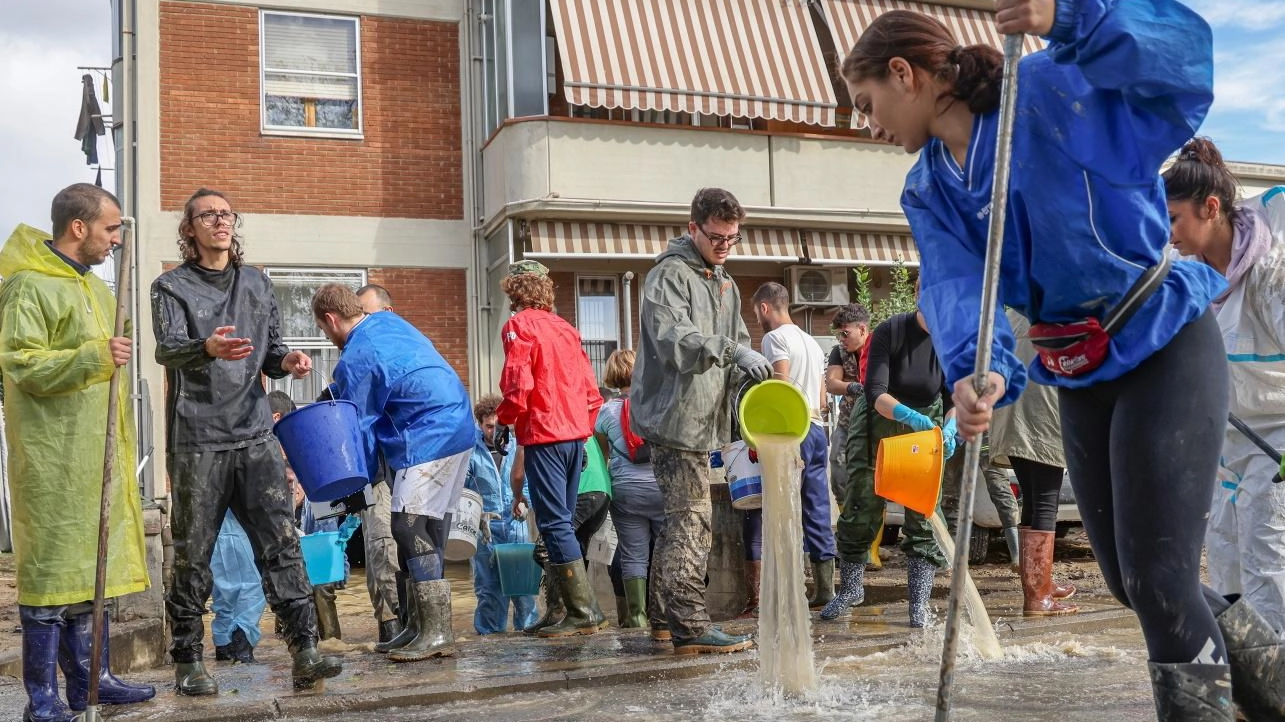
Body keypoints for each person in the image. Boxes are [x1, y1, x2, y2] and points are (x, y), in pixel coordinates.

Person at [840, 2, 1258, 716]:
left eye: (865, 102)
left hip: (1160, 337)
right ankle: (1273, 680)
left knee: (1159, 576)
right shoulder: (928, 188)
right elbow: (953, 286)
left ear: (903, 74)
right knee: (1132, 583)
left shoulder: (1047, 89)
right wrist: (982, 368)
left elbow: (1181, 70)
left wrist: (1072, 17)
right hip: (1078, 368)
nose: (866, 124)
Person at [152, 188, 340, 695]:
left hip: (256, 435)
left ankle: (306, 651)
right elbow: (167, 351)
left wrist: (289, 362)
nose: (219, 221)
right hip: (198, 440)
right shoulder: (170, 287)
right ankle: (188, 661)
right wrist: (205, 347)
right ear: (189, 229)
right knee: (193, 553)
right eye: (206, 215)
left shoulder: (258, 283)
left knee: (281, 544)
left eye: (225, 214)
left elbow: (272, 352)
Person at [0, 185, 155, 721]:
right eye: (110, 229)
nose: (117, 238)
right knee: (50, 577)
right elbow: (22, 363)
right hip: (53, 458)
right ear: (79, 227)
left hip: (97, 454)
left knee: (92, 569)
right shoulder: (29, 287)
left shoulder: (98, 290)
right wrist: (96, 354)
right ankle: (41, 699)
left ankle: (95, 679)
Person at [1164, 138, 1285, 712]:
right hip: (1226, 443)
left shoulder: (1269, 270)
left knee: (1270, 564)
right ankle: (1247, 696)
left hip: (1278, 440)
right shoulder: (1191, 277)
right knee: (1225, 562)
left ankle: (1280, 689)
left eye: (1176, 219)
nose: (1171, 233)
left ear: (1211, 208)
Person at [631, 187, 765, 655]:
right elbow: (676, 340)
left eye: (733, 238)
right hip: (674, 420)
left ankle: (664, 621)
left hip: (702, 419)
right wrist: (732, 351)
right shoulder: (669, 276)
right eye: (716, 237)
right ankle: (690, 625)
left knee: (676, 523)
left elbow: (740, 339)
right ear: (693, 228)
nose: (725, 245)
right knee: (692, 520)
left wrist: (749, 381)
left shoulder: (722, 280)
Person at [312, 283, 474, 662]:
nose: (328, 337)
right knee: (428, 527)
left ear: (331, 320)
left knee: (406, 526)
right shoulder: (390, 323)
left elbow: (361, 428)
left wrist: (357, 487)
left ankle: (435, 631)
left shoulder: (355, 355)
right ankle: (419, 627)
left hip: (428, 431)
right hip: (458, 422)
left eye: (324, 330)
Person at [822, 309, 955, 625]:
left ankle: (918, 605)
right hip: (877, 422)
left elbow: (953, 399)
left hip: (927, 429)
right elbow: (874, 390)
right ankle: (852, 589)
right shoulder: (890, 331)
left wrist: (951, 429)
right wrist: (909, 415)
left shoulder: (952, 339)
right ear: (922, 299)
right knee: (860, 505)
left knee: (922, 512)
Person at [497, 260, 607, 638]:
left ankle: (584, 610)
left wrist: (506, 419)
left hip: (544, 433)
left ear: (514, 290)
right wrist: (581, 430)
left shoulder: (518, 326)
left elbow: (517, 385)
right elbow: (593, 394)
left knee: (554, 521)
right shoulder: (567, 329)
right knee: (562, 522)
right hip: (576, 436)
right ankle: (575, 610)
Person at [751, 282, 839, 608]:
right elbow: (820, 398)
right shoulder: (812, 343)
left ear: (764, 308)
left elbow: (781, 386)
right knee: (817, 508)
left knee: (782, 508)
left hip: (791, 432)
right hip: (817, 430)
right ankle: (825, 588)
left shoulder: (774, 338)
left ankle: (788, 589)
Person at [988, 309, 1077, 615]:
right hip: (1042, 417)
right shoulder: (1057, 312)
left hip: (1012, 418)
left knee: (1032, 499)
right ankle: (1038, 597)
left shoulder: (1010, 317)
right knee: (1046, 503)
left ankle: (1040, 584)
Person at [594, 350, 668, 637]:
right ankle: (663, 616)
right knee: (665, 551)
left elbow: (601, 454)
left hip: (626, 492)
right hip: (660, 488)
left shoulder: (606, 411)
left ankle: (637, 620)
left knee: (634, 555)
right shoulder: (658, 405)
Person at [354, 284, 406, 644]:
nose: (362, 325)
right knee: (380, 549)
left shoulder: (405, 351)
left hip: (408, 470)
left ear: (387, 314)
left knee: (410, 549)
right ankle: (390, 629)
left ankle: (418, 626)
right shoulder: (360, 355)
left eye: (367, 316)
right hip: (375, 478)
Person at [469, 395, 539, 634]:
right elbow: (464, 490)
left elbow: (528, 481)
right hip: (484, 528)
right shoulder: (471, 451)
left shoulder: (517, 446)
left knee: (523, 589)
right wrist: (475, 515)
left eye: (499, 426)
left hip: (515, 524)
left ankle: (528, 641)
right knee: (489, 589)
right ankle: (489, 641)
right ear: (479, 423)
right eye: (489, 426)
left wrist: (525, 503)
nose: (494, 431)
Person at [824, 303, 873, 505]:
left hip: (876, 423)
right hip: (848, 422)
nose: (842, 340)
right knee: (837, 462)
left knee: (873, 472)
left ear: (862, 329)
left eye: (845, 333)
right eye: (839, 335)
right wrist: (852, 387)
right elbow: (832, 383)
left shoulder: (880, 346)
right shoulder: (839, 352)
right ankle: (846, 510)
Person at [209, 510, 265, 664]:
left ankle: (223, 647)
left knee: (223, 591)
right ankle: (242, 646)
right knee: (253, 587)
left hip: (212, 531)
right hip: (241, 528)